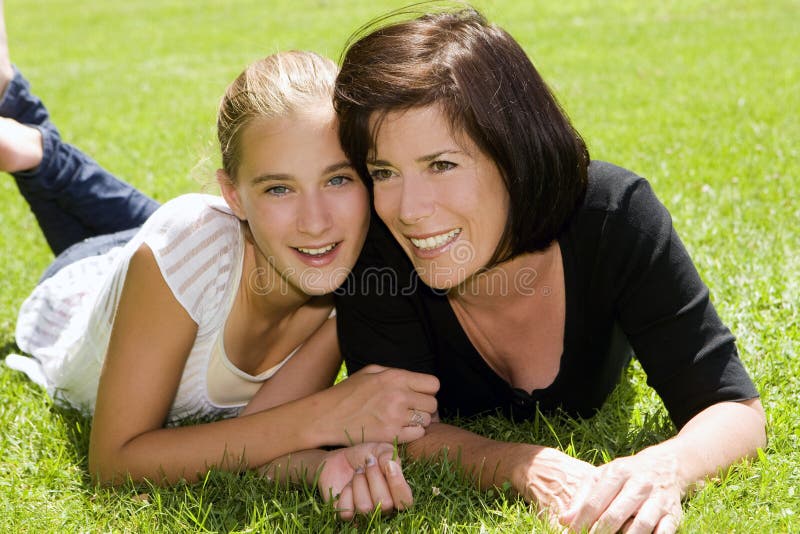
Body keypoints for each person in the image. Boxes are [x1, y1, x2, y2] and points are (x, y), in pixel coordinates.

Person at [332, 6, 767, 532]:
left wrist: (663, 468)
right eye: (384, 171)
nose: (408, 208)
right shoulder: (376, 249)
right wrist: (523, 465)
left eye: (441, 164)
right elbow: (400, 431)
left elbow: (734, 409)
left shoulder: (615, 217)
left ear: (514, 153)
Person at [0, 4, 438, 520]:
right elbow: (115, 463)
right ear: (233, 194)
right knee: (125, 212)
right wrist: (325, 415)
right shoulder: (187, 246)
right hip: (89, 282)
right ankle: (25, 129)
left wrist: (321, 466)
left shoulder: (350, 276)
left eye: (338, 179)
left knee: (175, 232)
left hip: (212, 255)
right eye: (279, 187)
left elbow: (257, 436)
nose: (317, 221)